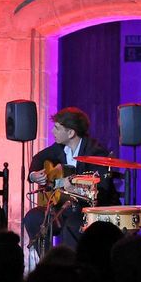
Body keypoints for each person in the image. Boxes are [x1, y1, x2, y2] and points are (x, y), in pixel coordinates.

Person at [22, 106, 116, 249]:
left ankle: (72, 267)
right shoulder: (60, 147)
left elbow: (100, 191)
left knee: (71, 225)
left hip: (88, 210)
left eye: (57, 128)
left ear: (71, 133)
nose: (53, 131)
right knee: (33, 218)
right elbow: (38, 158)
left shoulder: (95, 152)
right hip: (65, 207)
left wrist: (73, 187)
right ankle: (47, 262)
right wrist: (33, 176)